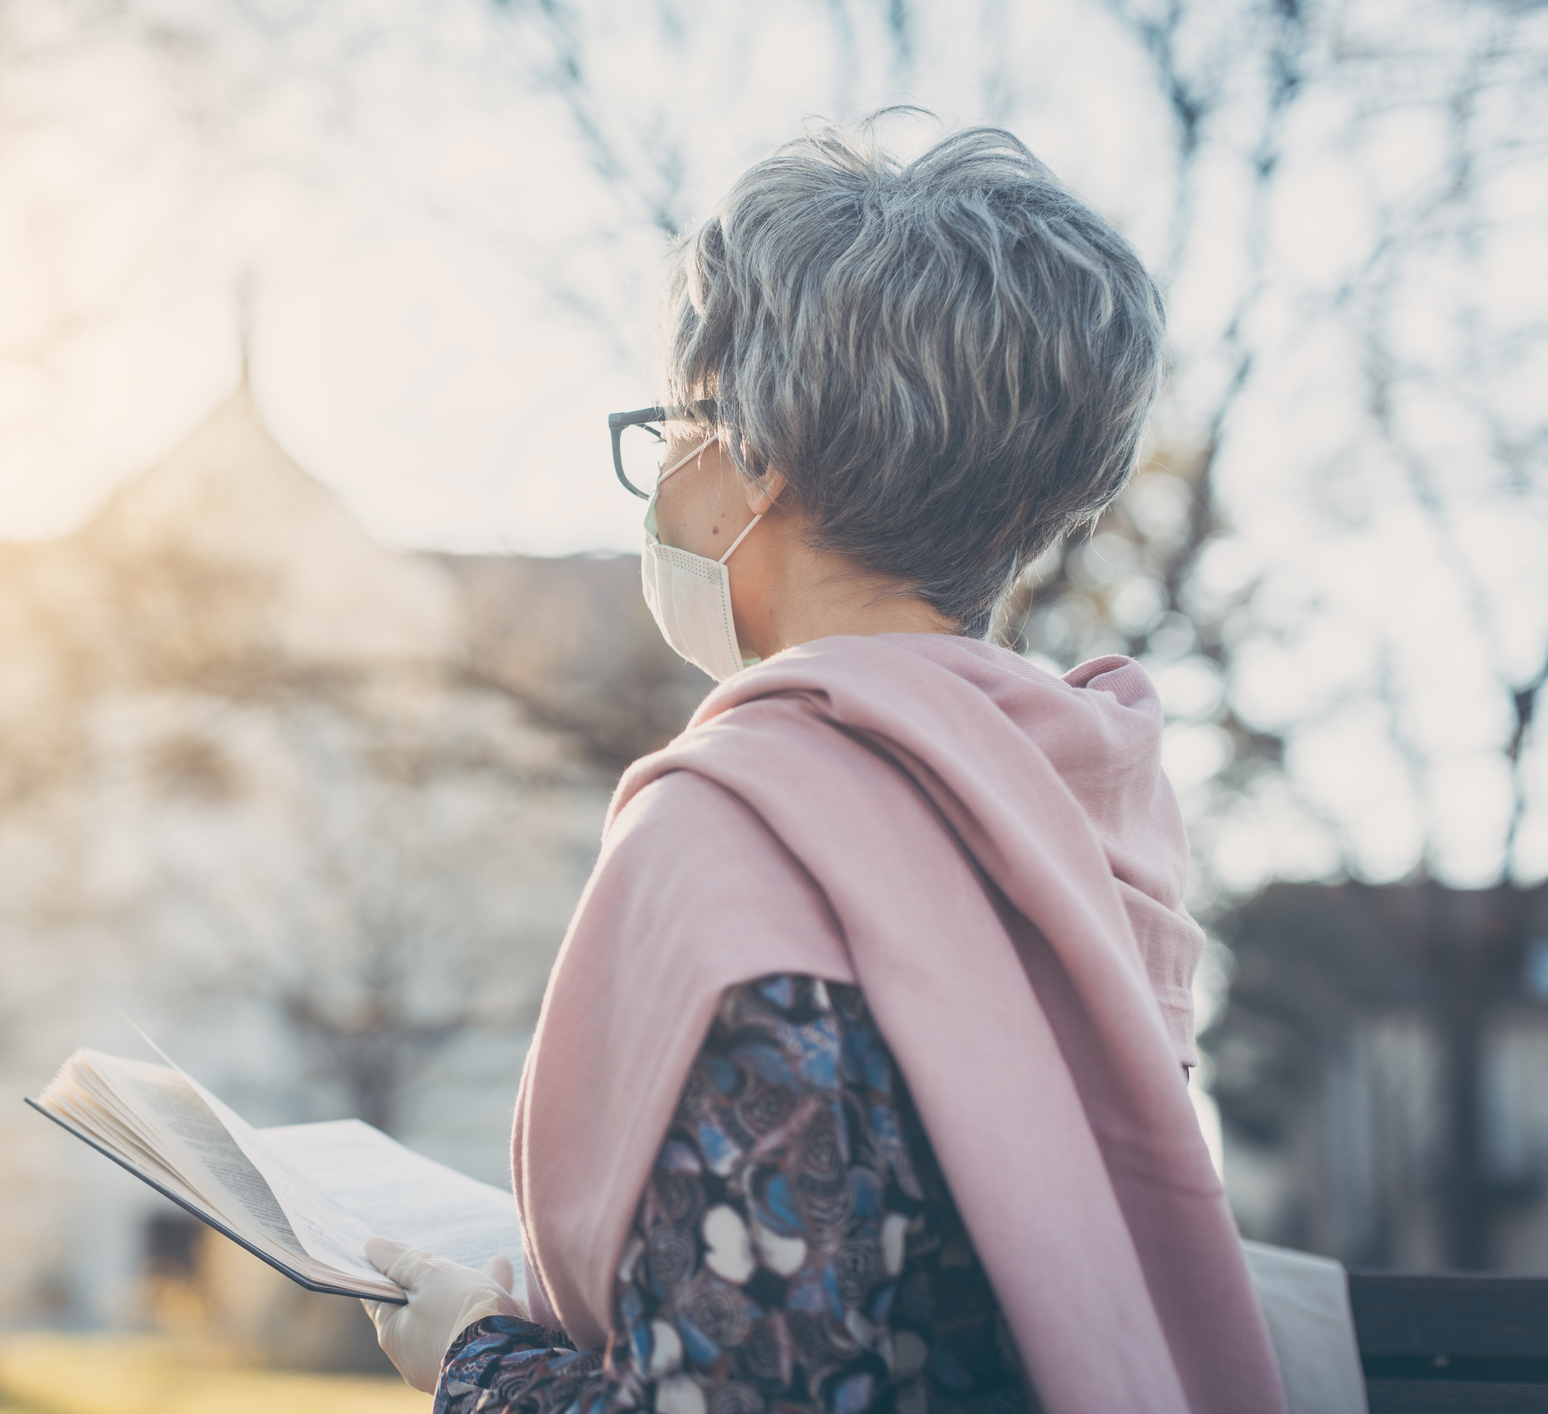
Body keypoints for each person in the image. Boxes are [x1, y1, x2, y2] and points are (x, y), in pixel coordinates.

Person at [364, 120, 1287, 1414]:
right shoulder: (1092, 801)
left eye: (672, 426)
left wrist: (473, 1350)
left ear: (754, 455)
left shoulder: (738, 834)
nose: (662, 478)